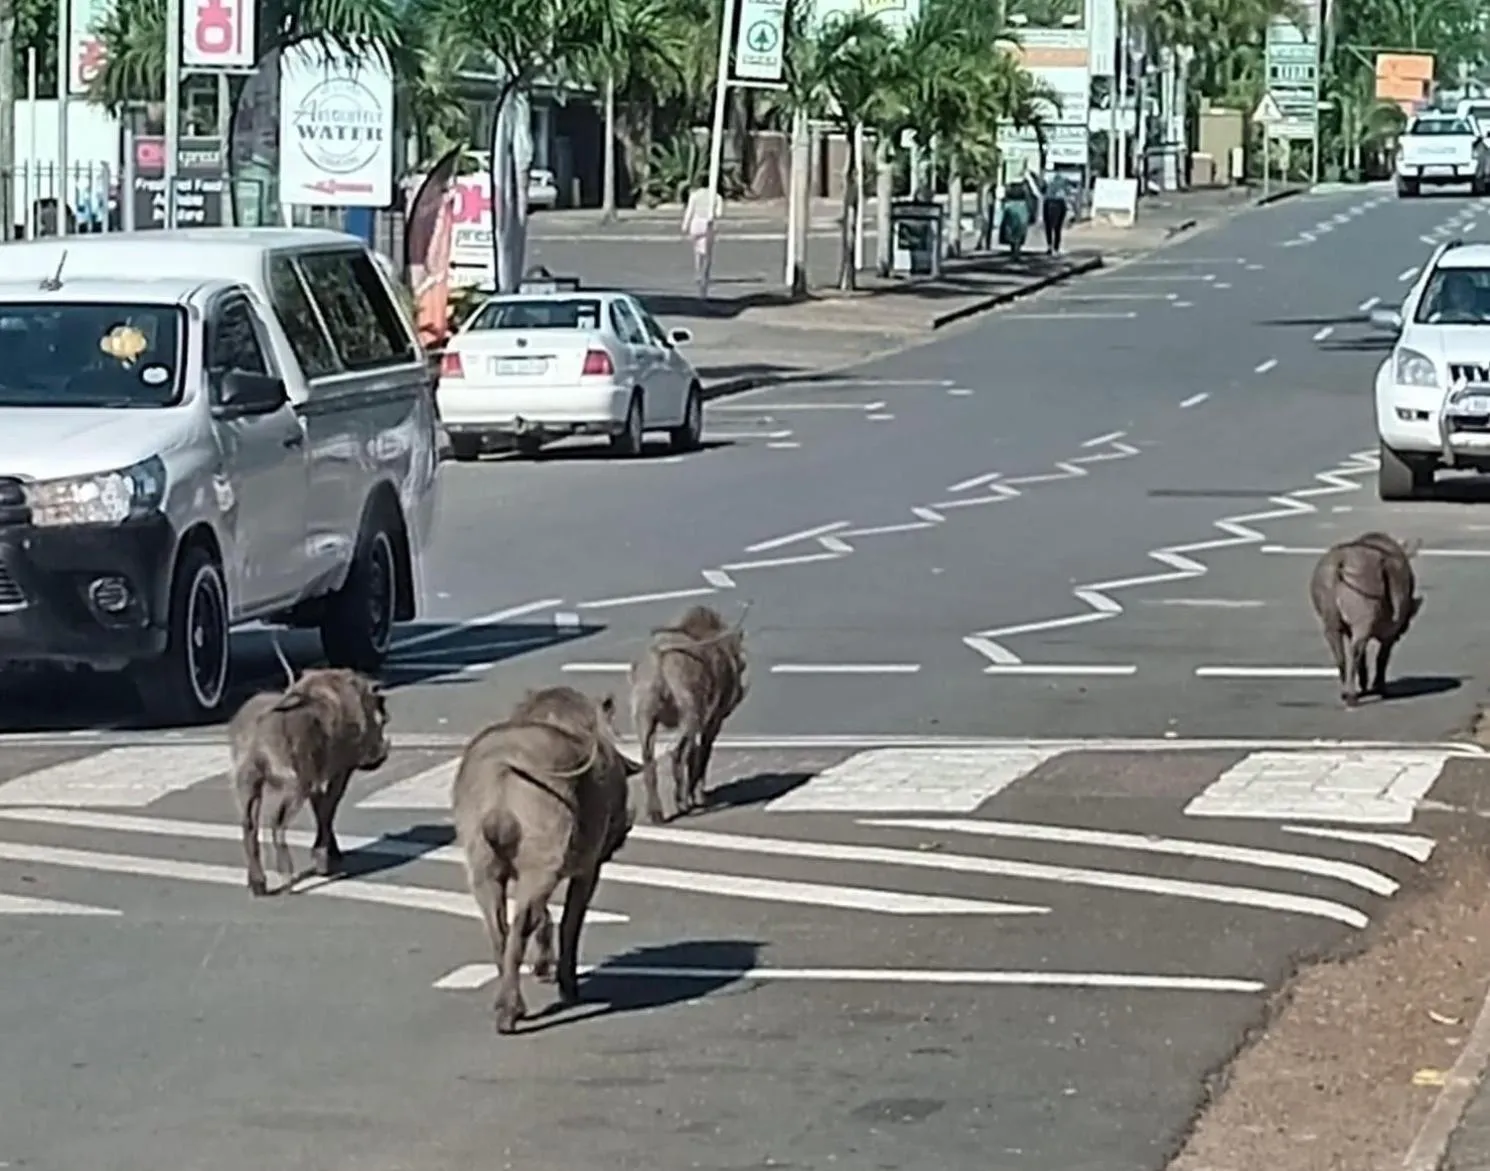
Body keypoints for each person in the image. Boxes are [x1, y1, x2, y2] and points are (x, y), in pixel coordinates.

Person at [681, 182, 722, 300]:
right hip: (708, 224)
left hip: (696, 223)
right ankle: (705, 274)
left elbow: (690, 211)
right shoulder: (716, 197)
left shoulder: (695, 195)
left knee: (697, 251)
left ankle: (698, 272)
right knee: (707, 252)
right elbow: (718, 214)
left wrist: (685, 225)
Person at [1039, 169, 1073, 255]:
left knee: (1048, 227)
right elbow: (1068, 193)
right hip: (1059, 203)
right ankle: (1056, 248)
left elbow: (1042, 191)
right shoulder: (1064, 182)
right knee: (1058, 228)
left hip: (1048, 202)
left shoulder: (1048, 182)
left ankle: (1049, 246)